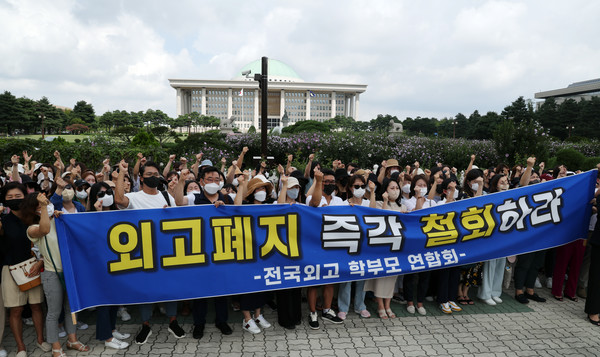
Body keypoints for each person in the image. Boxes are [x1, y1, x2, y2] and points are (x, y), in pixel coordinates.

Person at [113, 159, 186, 344]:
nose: (153, 178)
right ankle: (145, 325)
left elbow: (178, 214)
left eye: (156, 174)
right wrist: (122, 173)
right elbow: (119, 200)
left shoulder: (166, 196)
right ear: (142, 178)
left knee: (171, 288)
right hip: (144, 253)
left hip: (167, 252)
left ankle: (173, 320)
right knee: (145, 290)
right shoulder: (135, 197)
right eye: (149, 175)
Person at [26, 192, 90, 357]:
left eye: (47, 202)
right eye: (42, 204)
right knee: (54, 312)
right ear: (35, 210)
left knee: (71, 309)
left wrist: (60, 217)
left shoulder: (59, 219)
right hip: (51, 274)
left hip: (70, 271)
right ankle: (56, 347)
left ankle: (72, 340)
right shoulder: (32, 229)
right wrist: (46, 208)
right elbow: (44, 229)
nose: (48, 205)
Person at [173, 167, 233, 340]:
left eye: (217, 179)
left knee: (221, 290)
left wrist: (224, 209)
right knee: (201, 291)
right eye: (209, 179)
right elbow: (178, 201)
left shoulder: (226, 198)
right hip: (199, 251)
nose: (213, 182)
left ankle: (221, 321)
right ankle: (199, 323)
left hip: (221, 251)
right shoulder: (194, 198)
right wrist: (181, 181)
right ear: (201, 182)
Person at [0, 182, 50, 357]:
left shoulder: (33, 217)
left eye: (18, 196)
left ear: (25, 197)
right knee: (16, 309)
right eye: (9, 197)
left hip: (34, 266)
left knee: (37, 305)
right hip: (10, 269)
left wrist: (41, 262)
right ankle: (21, 347)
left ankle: (40, 339)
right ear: (4, 200)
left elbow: (45, 237)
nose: (14, 200)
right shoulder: (3, 220)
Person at [88, 182, 130, 349]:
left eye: (107, 192)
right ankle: (106, 337)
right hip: (99, 265)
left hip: (116, 263)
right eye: (100, 194)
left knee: (114, 298)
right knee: (104, 301)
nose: (105, 196)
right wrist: (96, 214)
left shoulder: (116, 213)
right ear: (93, 198)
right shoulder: (89, 216)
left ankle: (111, 330)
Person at [306, 168, 344, 328]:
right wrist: (318, 181)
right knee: (314, 282)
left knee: (330, 280)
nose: (329, 184)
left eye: (331, 182)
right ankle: (313, 312)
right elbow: (314, 203)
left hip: (333, 245)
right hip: (315, 244)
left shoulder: (339, 201)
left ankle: (327, 310)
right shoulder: (312, 196)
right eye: (325, 181)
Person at [235, 176, 273, 334]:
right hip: (245, 253)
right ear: (251, 193)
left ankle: (257, 315)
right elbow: (235, 206)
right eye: (258, 189)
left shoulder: (269, 207)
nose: (261, 192)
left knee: (261, 284)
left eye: (263, 189)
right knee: (247, 285)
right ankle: (247, 319)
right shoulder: (245, 206)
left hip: (263, 252)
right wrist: (242, 185)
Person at [364, 178, 405, 319]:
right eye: (392, 188)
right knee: (381, 277)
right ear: (386, 190)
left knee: (392, 277)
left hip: (396, 247)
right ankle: (380, 306)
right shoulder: (381, 203)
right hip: (382, 246)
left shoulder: (403, 206)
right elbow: (376, 215)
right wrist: (384, 200)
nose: (395, 190)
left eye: (397, 188)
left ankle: (388, 305)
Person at [337, 174, 373, 320]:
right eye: (356, 186)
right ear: (350, 188)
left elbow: (375, 216)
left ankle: (360, 306)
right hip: (348, 246)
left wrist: (373, 191)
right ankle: (343, 307)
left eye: (362, 186)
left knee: (362, 278)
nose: (359, 189)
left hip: (365, 246)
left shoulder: (368, 203)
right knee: (346, 278)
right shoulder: (343, 205)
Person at [275, 175, 303, 329]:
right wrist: (284, 185)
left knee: (296, 285)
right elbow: (279, 208)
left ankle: (296, 316)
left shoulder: (301, 206)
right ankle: (285, 319)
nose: (295, 190)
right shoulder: (276, 203)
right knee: (284, 286)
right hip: (280, 250)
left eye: (297, 187)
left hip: (297, 250)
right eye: (291, 187)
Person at [477, 174, 509, 306]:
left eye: (506, 182)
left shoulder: (512, 196)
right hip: (491, 235)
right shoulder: (489, 196)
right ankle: (485, 293)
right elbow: (477, 202)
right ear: (496, 184)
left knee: (501, 264)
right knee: (490, 266)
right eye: (502, 182)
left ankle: (496, 292)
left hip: (505, 235)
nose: (505, 184)